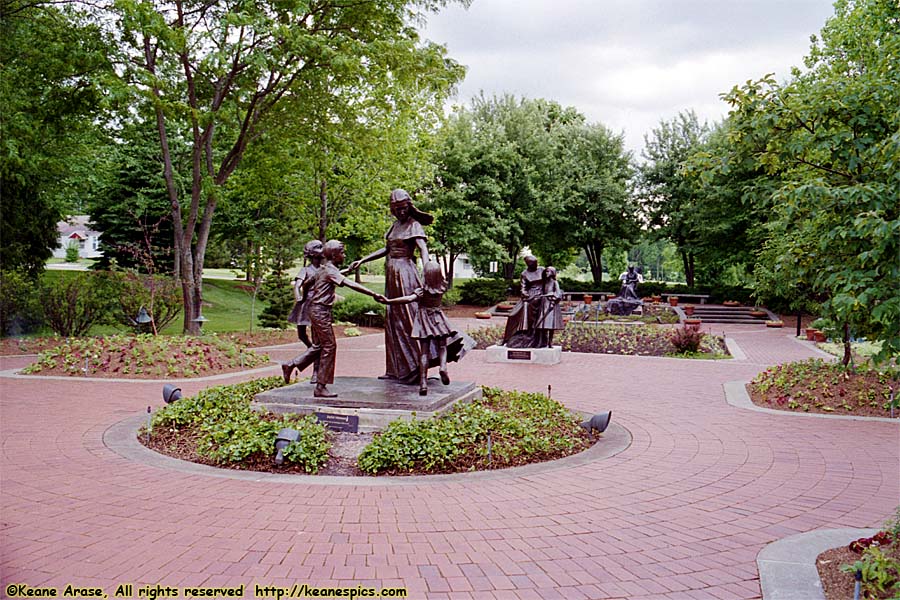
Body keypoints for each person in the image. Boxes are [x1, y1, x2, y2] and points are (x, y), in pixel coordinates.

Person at [346, 189, 434, 383]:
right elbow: (387, 249)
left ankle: (419, 368)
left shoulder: (414, 225)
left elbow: (423, 249)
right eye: (396, 209)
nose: (400, 212)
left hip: (406, 274)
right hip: (392, 274)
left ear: (409, 207)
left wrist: (427, 270)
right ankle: (395, 369)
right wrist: (362, 260)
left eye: (403, 208)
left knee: (409, 318)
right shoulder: (394, 226)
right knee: (393, 320)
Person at [280, 240, 386, 398]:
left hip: (316, 310)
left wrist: (307, 293)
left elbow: (308, 283)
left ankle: (291, 365)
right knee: (329, 346)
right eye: (342, 253)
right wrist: (374, 294)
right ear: (335, 255)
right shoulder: (329, 271)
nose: (344, 255)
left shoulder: (323, 269)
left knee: (318, 346)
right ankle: (320, 387)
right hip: (320, 311)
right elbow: (350, 284)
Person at [383, 261, 453, 395]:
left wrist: (389, 301)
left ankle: (423, 383)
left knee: (424, 352)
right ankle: (443, 367)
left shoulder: (421, 291)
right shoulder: (442, 287)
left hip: (424, 321)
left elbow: (408, 299)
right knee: (443, 346)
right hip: (438, 318)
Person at [501, 255, 545, 347]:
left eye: (536, 263)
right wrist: (524, 293)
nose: (535, 265)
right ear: (528, 264)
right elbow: (523, 287)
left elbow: (550, 281)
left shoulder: (542, 270)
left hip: (540, 295)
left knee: (531, 307)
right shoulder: (524, 274)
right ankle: (508, 338)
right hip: (528, 296)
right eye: (533, 264)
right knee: (513, 314)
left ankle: (528, 331)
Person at [287, 240, 324, 347]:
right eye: (319, 248)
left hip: (318, 304)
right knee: (301, 333)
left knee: (316, 331)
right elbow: (297, 285)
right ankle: (310, 348)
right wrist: (298, 297)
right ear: (312, 253)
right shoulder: (306, 270)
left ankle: (315, 350)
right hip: (306, 302)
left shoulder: (324, 269)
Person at [534, 266, 563, 348]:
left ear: (552, 273)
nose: (547, 273)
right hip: (543, 303)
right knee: (541, 324)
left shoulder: (554, 282)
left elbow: (558, 293)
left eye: (548, 272)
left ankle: (550, 342)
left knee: (550, 324)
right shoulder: (544, 282)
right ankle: (540, 342)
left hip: (551, 304)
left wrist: (553, 299)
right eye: (546, 272)